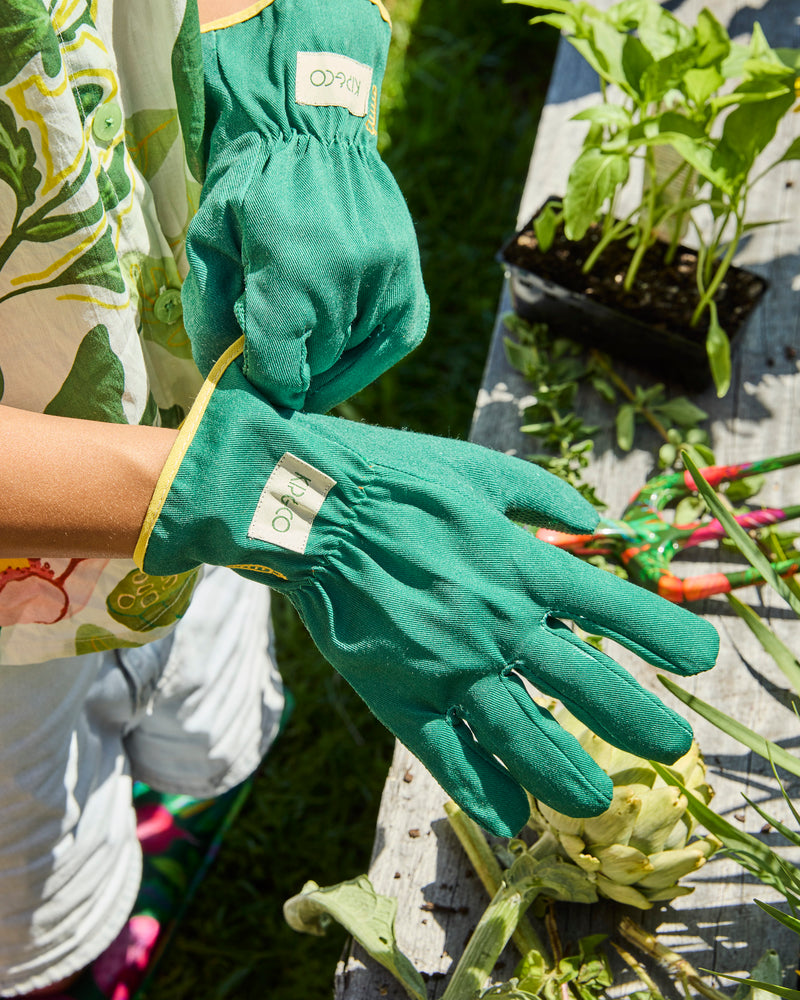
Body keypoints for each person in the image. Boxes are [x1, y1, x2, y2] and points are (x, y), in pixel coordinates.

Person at [0, 0, 719, 995]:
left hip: (175, 354)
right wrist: (271, 501)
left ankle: (161, 796)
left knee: (204, 731)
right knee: (38, 895)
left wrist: (302, 78)